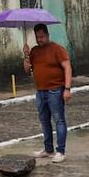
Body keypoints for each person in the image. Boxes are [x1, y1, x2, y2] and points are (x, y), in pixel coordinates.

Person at [22, 23, 72, 163]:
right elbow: (27, 70)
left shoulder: (58, 49)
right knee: (44, 121)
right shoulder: (34, 51)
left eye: (42, 37)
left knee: (59, 120)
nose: (39, 40)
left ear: (47, 35)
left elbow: (67, 68)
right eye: (37, 37)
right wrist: (26, 55)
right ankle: (48, 149)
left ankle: (60, 151)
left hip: (55, 90)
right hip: (40, 91)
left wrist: (67, 89)